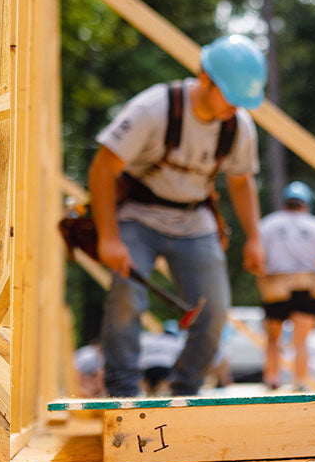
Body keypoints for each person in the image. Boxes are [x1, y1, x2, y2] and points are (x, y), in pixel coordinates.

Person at [87, 34, 267, 398]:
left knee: (214, 313)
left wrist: (254, 237)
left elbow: (241, 181)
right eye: (230, 97)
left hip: (194, 220)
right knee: (127, 299)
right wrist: (109, 236)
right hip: (138, 215)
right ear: (205, 79)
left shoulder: (238, 126)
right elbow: (103, 169)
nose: (236, 106)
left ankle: (185, 391)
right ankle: (122, 395)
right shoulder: (154, 108)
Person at [256, 181, 315, 391]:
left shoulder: (268, 224)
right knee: (301, 340)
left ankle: (272, 380)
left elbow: (256, 256)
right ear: (307, 203)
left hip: (277, 283)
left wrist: (261, 275)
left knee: (273, 339)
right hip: (308, 284)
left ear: (285, 202)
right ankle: (300, 382)